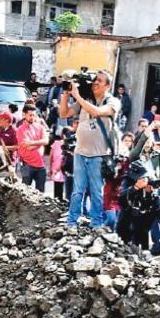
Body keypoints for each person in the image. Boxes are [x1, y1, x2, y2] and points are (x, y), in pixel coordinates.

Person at [59, 69, 120, 227]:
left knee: (96, 191)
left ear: (107, 86)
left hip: (99, 155)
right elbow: (64, 113)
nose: (95, 82)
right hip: (80, 152)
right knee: (77, 190)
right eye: (95, 79)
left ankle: (96, 223)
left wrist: (77, 96)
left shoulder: (112, 102)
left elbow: (97, 112)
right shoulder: (85, 99)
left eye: (100, 81)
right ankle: (72, 221)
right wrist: (66, 93)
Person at [117, 161, 158, 249]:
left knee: (142, 240)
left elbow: (154, 204)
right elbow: (121, 197)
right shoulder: (127, 180)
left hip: (142, 221)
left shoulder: (148, 182)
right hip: (127, 220)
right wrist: (135, 188)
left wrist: (150, 193)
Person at [16, 104, 48, 193]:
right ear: (24, 115)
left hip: (40, 165)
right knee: (25, 192)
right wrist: (40, 143)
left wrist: (32, 142)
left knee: (41, 193)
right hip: (26, 165)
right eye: (30, 115)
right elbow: (28, 147)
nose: (32, 117)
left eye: (34, 115)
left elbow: (46, 141)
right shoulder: (20, 129)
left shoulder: (40, 127)